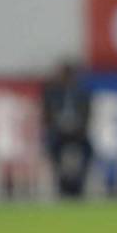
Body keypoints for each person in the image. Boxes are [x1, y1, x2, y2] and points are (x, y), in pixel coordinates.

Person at [41, 61, 94, 197]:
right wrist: (59, 126)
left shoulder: (82, 93)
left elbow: (87, 115)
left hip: (78, 133)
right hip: (58, 132)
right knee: (53, 148)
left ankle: (79, 184)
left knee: (88, 150)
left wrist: (77, 128)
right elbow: (46, 116)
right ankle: (62, 183)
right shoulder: (52, 92)